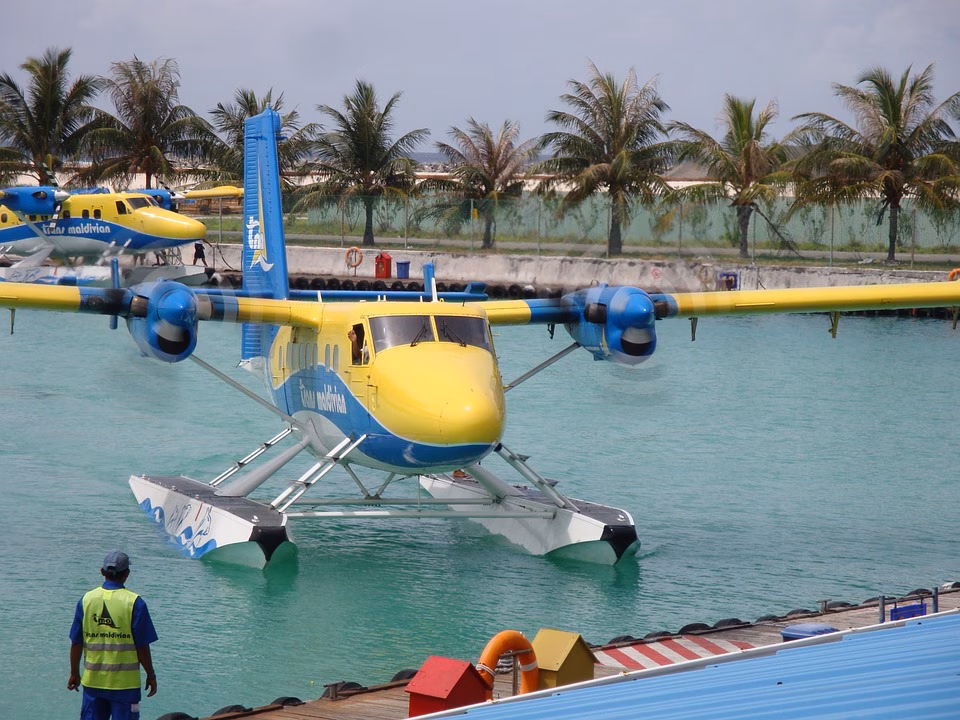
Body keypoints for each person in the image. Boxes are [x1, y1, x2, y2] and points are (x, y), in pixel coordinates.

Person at [68, 551, 158, 720]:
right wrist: (151, 675)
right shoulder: (135, 603)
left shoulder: (86, 600)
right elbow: (142, 648)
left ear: (102, 572)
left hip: (93, 683)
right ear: (127, 574)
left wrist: (74, 673)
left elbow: (76, 642)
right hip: (125, 686)